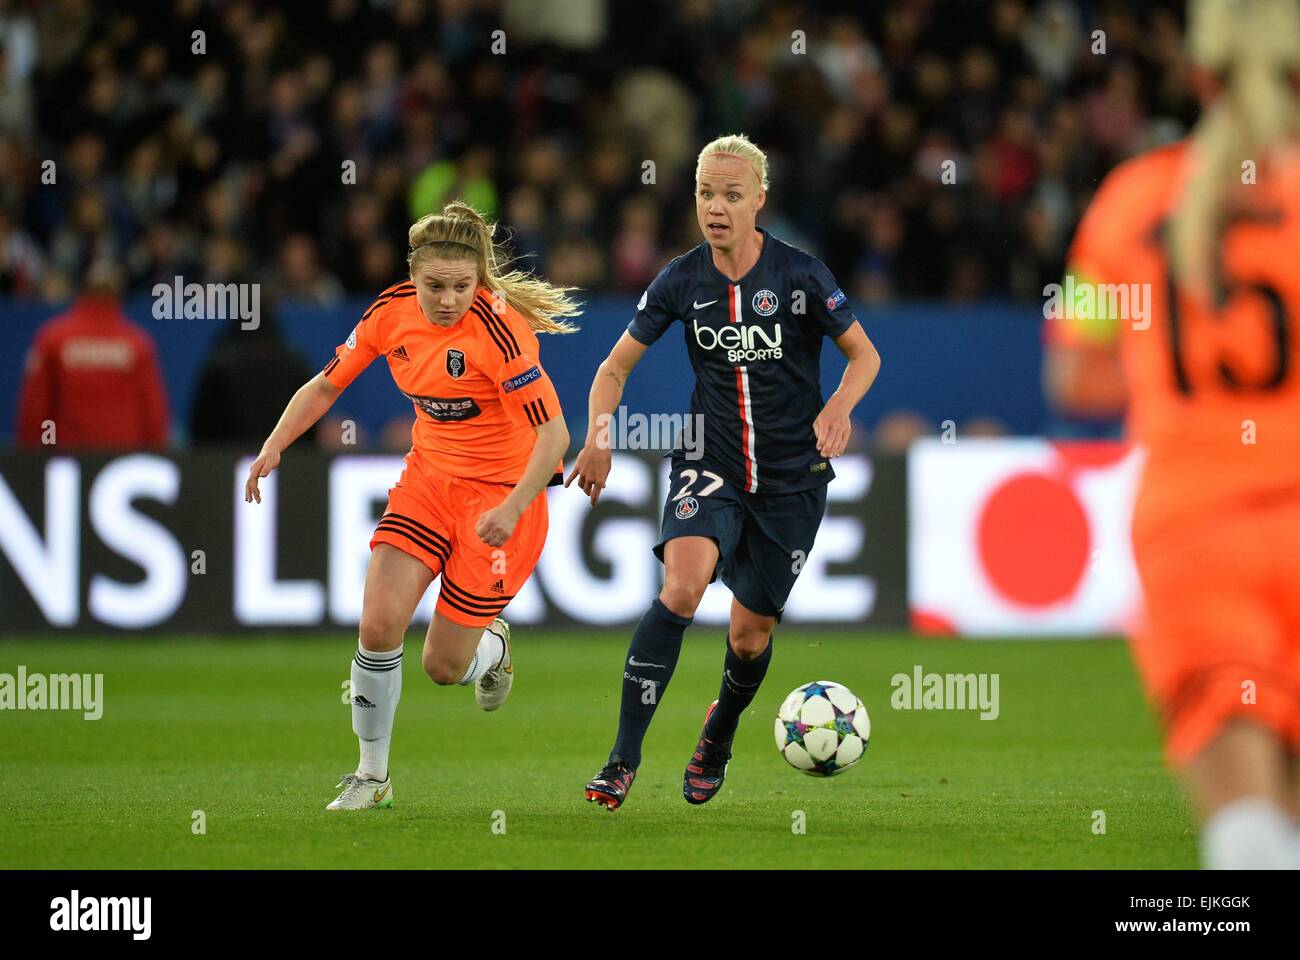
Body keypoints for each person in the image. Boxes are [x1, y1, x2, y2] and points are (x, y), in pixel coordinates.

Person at [1045, 0, 1300, 868]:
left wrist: (1164, 363)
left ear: (1196, 74)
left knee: (1251, 835)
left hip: (1194, 533)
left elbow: (1075, 373)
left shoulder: (1131, 203)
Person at [567, 134, 881, 810]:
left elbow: (864, 357)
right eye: (707, 193)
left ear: (759, 200)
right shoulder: (680, 279)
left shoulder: (801, 276)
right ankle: (622, 760)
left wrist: (840, 407)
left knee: (749, 635)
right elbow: (613, 367)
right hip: (710, 462)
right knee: (681, 589)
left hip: (794, 479)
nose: (716, 206)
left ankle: (719, 733)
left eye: (731, 195)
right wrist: (597, 438)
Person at [245, 202, 576, 811]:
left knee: (443, 668)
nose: (449, 300)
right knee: (376, 624)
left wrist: (513, 506)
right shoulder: (390, 313)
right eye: (435, 286)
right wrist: (274, 445)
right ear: (412, 276)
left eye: (462, 286)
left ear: (479, 280)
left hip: (503, 498)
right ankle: (372, 778)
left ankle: (492, 649)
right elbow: (326, 384)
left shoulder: (501, 333)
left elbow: (555, 437)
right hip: (428, 482)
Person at [16, 259, 169, 450]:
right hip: (121, 461)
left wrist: (42, 453)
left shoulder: (54, 338)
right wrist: (155, 455)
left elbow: (37, 411)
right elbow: (152, 414)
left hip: (66, 460)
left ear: (83, 289)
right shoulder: (137, 344)